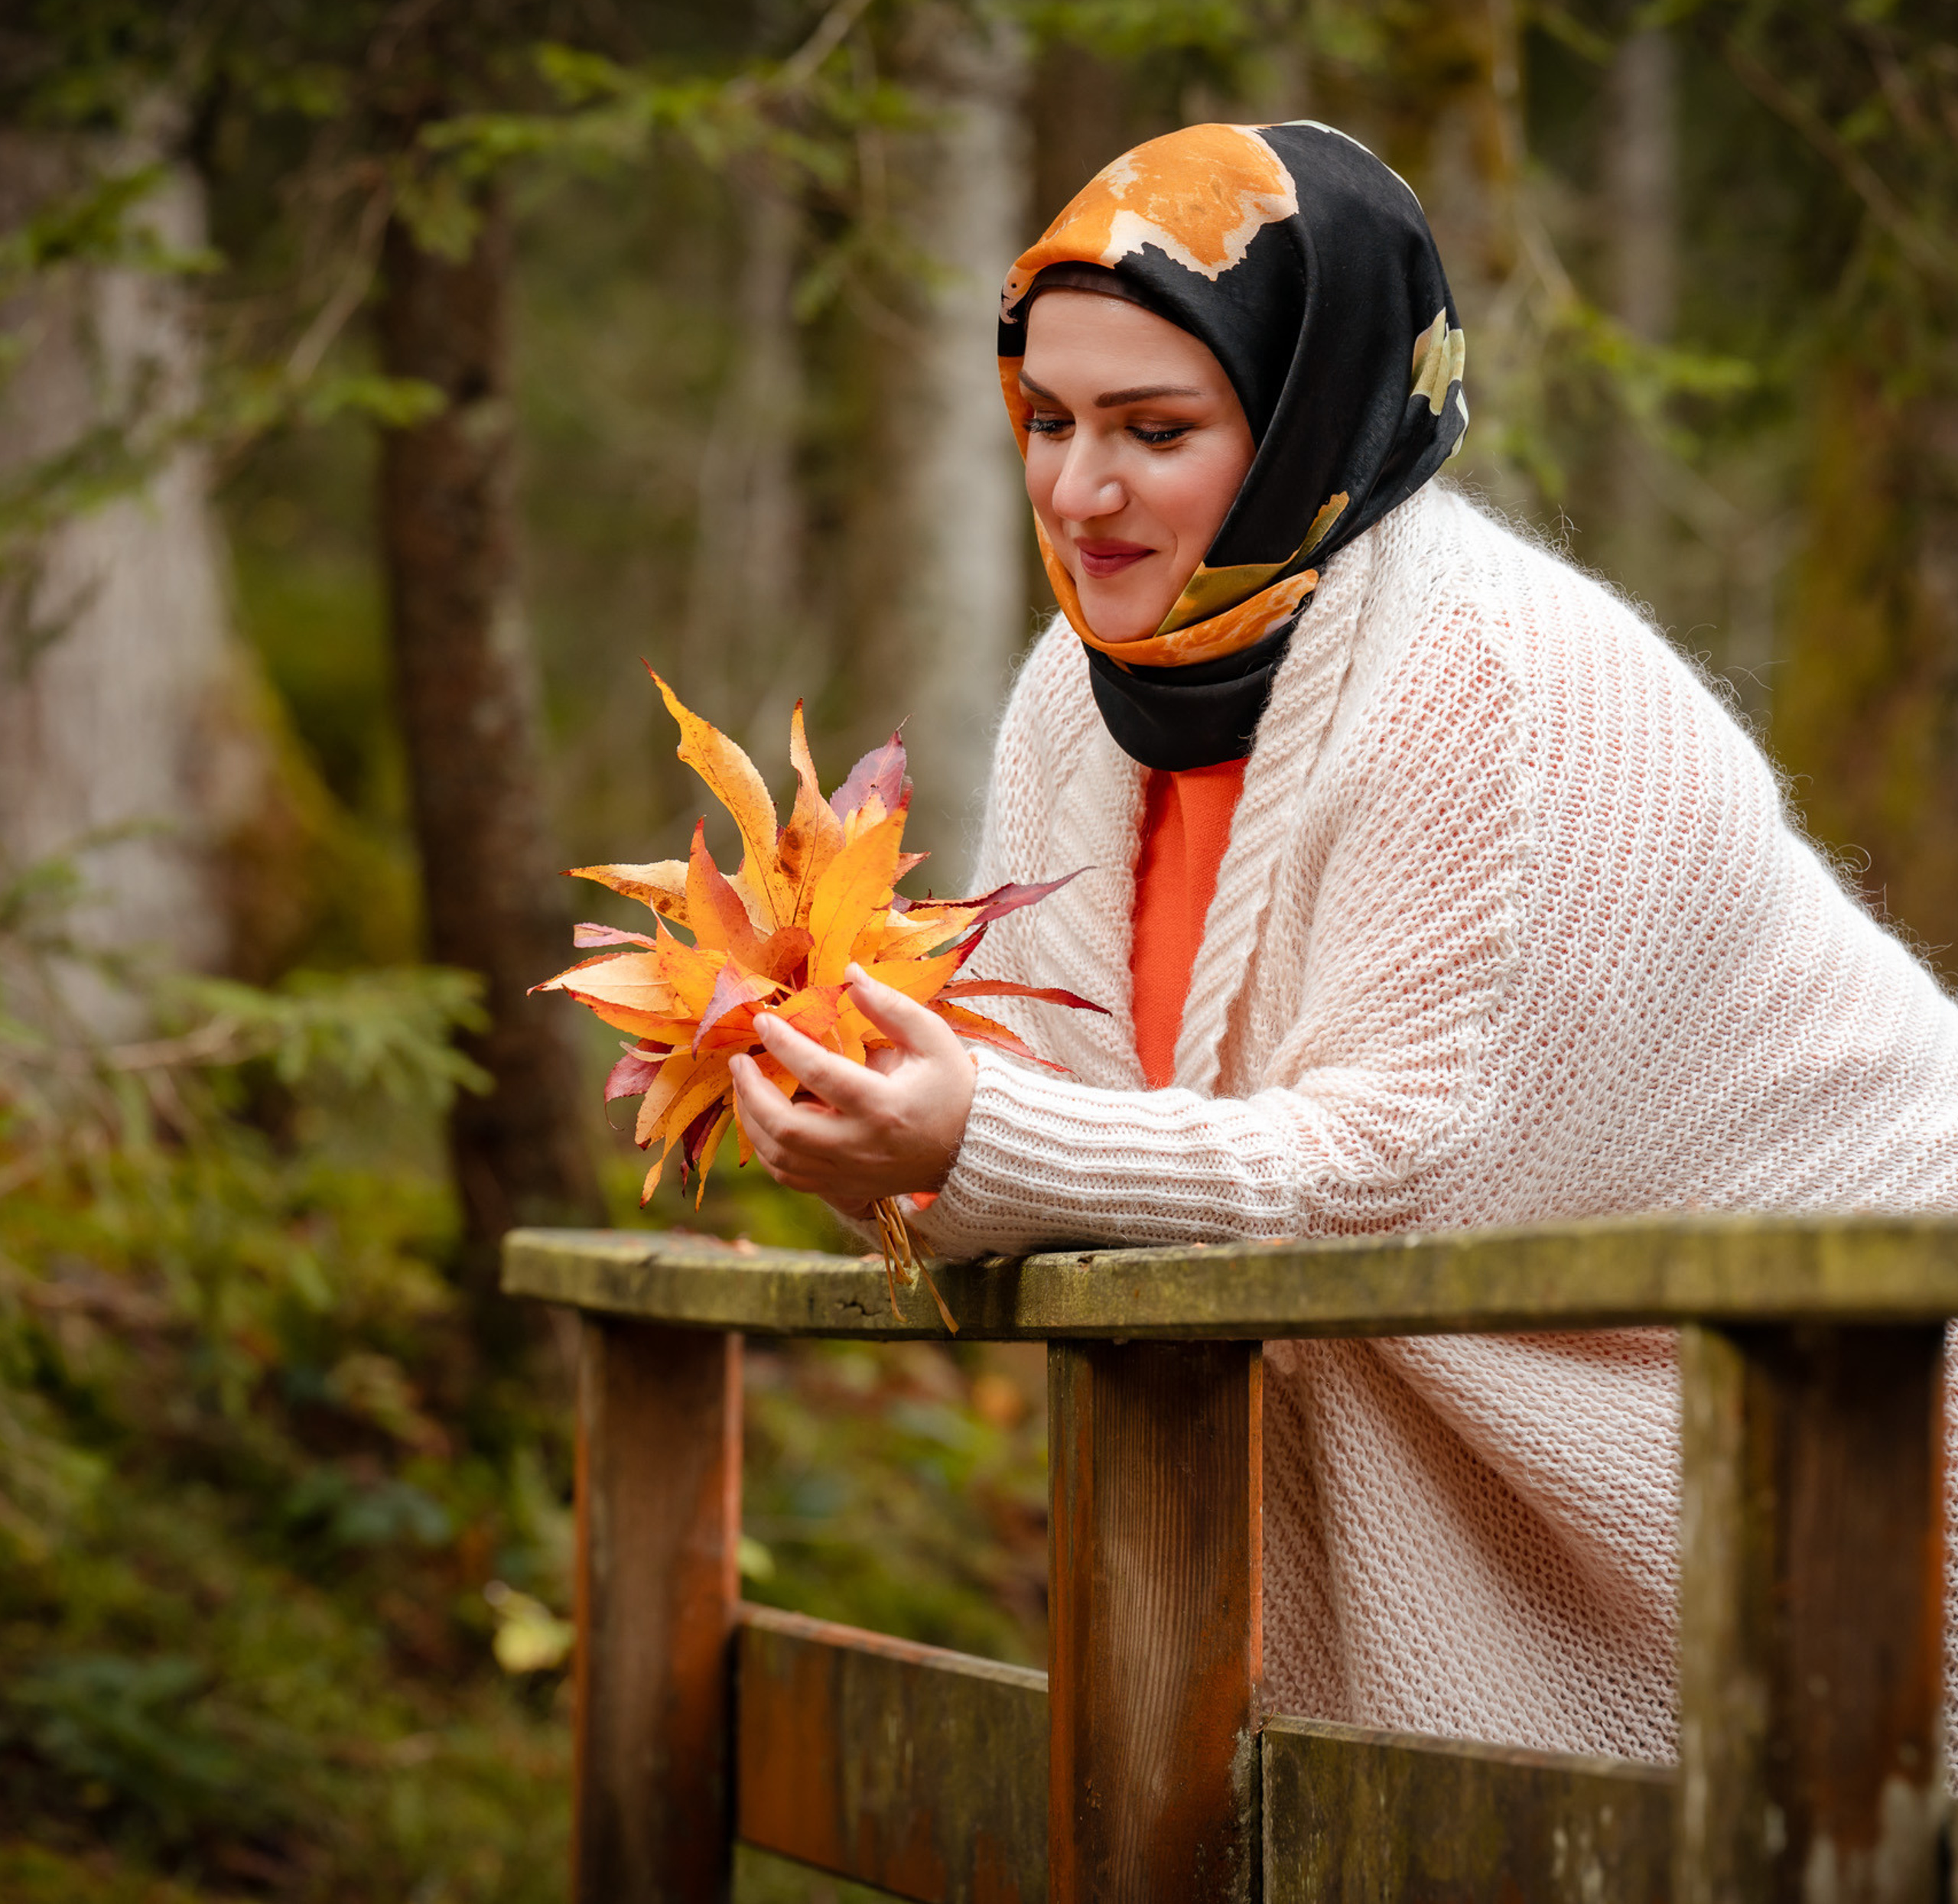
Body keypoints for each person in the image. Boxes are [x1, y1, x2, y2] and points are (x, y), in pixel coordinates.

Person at [728, 120, 1958, 1763]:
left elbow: (1400, 1160)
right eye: (1046, 419)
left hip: (1841, 1384)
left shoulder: (1502, 686)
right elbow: (1069, 1133)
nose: (1077, 487)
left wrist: (976, 1135)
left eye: (1151, 429)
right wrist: (859, 1102)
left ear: (1313, 410)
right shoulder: (1072, 706)